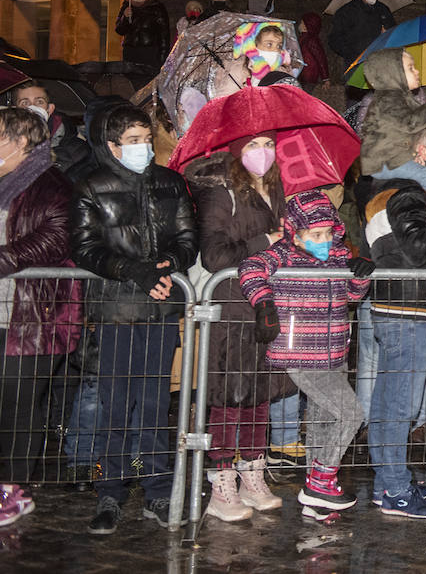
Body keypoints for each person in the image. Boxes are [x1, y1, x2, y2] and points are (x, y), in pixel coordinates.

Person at [70, 104, 198, 535]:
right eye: (133, 141)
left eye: (147, 139)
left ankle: (159, 488)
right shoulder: (92, 185)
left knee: (155, 402)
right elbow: (85, 247)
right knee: (115, 404)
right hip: (116, 310)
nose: (144, 147)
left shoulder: (170, 182)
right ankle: (110, 490)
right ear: (111, 146)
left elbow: (187, 239)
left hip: (160, 308)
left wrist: (164, 266)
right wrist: (133, 272)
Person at [237, 190, 371, 520]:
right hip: (300, 353)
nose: (323, 241)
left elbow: (351, 295)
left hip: (335, 352)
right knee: (350, 412)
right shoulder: (282, 254)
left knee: (325, 422)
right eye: (315, 235)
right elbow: (250, 268)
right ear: (295, 232)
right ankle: (320, 483)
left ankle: (316, 499)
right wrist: (264, 303)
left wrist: (359, 275)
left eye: (328, 233)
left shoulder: (338, 255)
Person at [355, 121, 426, 518]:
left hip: (393, 308)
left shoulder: (383, 191)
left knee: (387, 403)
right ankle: (398, 491)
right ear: (421, 152)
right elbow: (419, 250)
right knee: (399, 405)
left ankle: (388, 484)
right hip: (408, 310)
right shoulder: (408, 193)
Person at [185, 133, 290, 523]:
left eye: (267, 142)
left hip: (266, 306)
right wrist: (266, 239)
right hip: (231, 307)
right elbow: (214, 255)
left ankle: (253, 473)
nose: (262, 152)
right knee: (228, 397)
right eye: (251, 145)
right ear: (235, 150)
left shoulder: (277, 187)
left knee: (259, 396)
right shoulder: (220, 191)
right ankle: (221, 481)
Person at [0, 108, 77, 502]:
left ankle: (12, 488)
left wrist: (5, 258)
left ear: (20, 141)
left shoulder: (51, 185)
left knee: (19, 404)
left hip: (33, 315)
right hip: (3, 312)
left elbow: (57, 237)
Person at [357, 48, 426, 176]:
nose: (417, 71)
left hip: (408, 157)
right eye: (411, 68)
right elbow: (408, 124)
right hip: (387, 164)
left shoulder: (412, 96)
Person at [9, 80, 85, 174]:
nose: (32, 108)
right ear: (14, 111)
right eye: (25, 103)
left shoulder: (76, 150)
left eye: (39, 102)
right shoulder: (5, 149)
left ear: (50, 109)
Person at [328, 0, 396, 71]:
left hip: (381, 59)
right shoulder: (346, 12)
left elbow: (394, 29)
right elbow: (334, 39)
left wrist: (387, 33)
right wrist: (353, 53)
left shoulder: (383, 9)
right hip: (356, 62)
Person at [113, 0, 170, 71]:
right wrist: (125, 17)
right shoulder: (128, 4)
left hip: (149, 52)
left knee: (147, 82)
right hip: (130, 52)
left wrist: (162, 59)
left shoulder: (157, 7)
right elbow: (119, 30)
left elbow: (164, 35)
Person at [297, 12, 331, 86]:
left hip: (309, 75)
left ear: (306, 26)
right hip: (302, 73)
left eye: (302, 23)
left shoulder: (311, 40)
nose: (300, 24)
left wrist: (325, 78)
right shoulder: (303, 38)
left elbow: (320, 58)